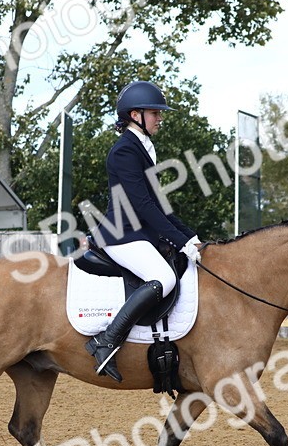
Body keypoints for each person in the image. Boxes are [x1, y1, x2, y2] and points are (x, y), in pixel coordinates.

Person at [85, 80, 201, 382]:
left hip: (137, 233)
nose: (159, 118)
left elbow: (160, 205)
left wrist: (190, 237)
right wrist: (180, 241)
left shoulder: (142, 147)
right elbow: (144, 205)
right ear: (135, 115)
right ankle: (106, 340)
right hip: (121, 235)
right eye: (155, 113)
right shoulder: (125, 150)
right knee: (163, 277)